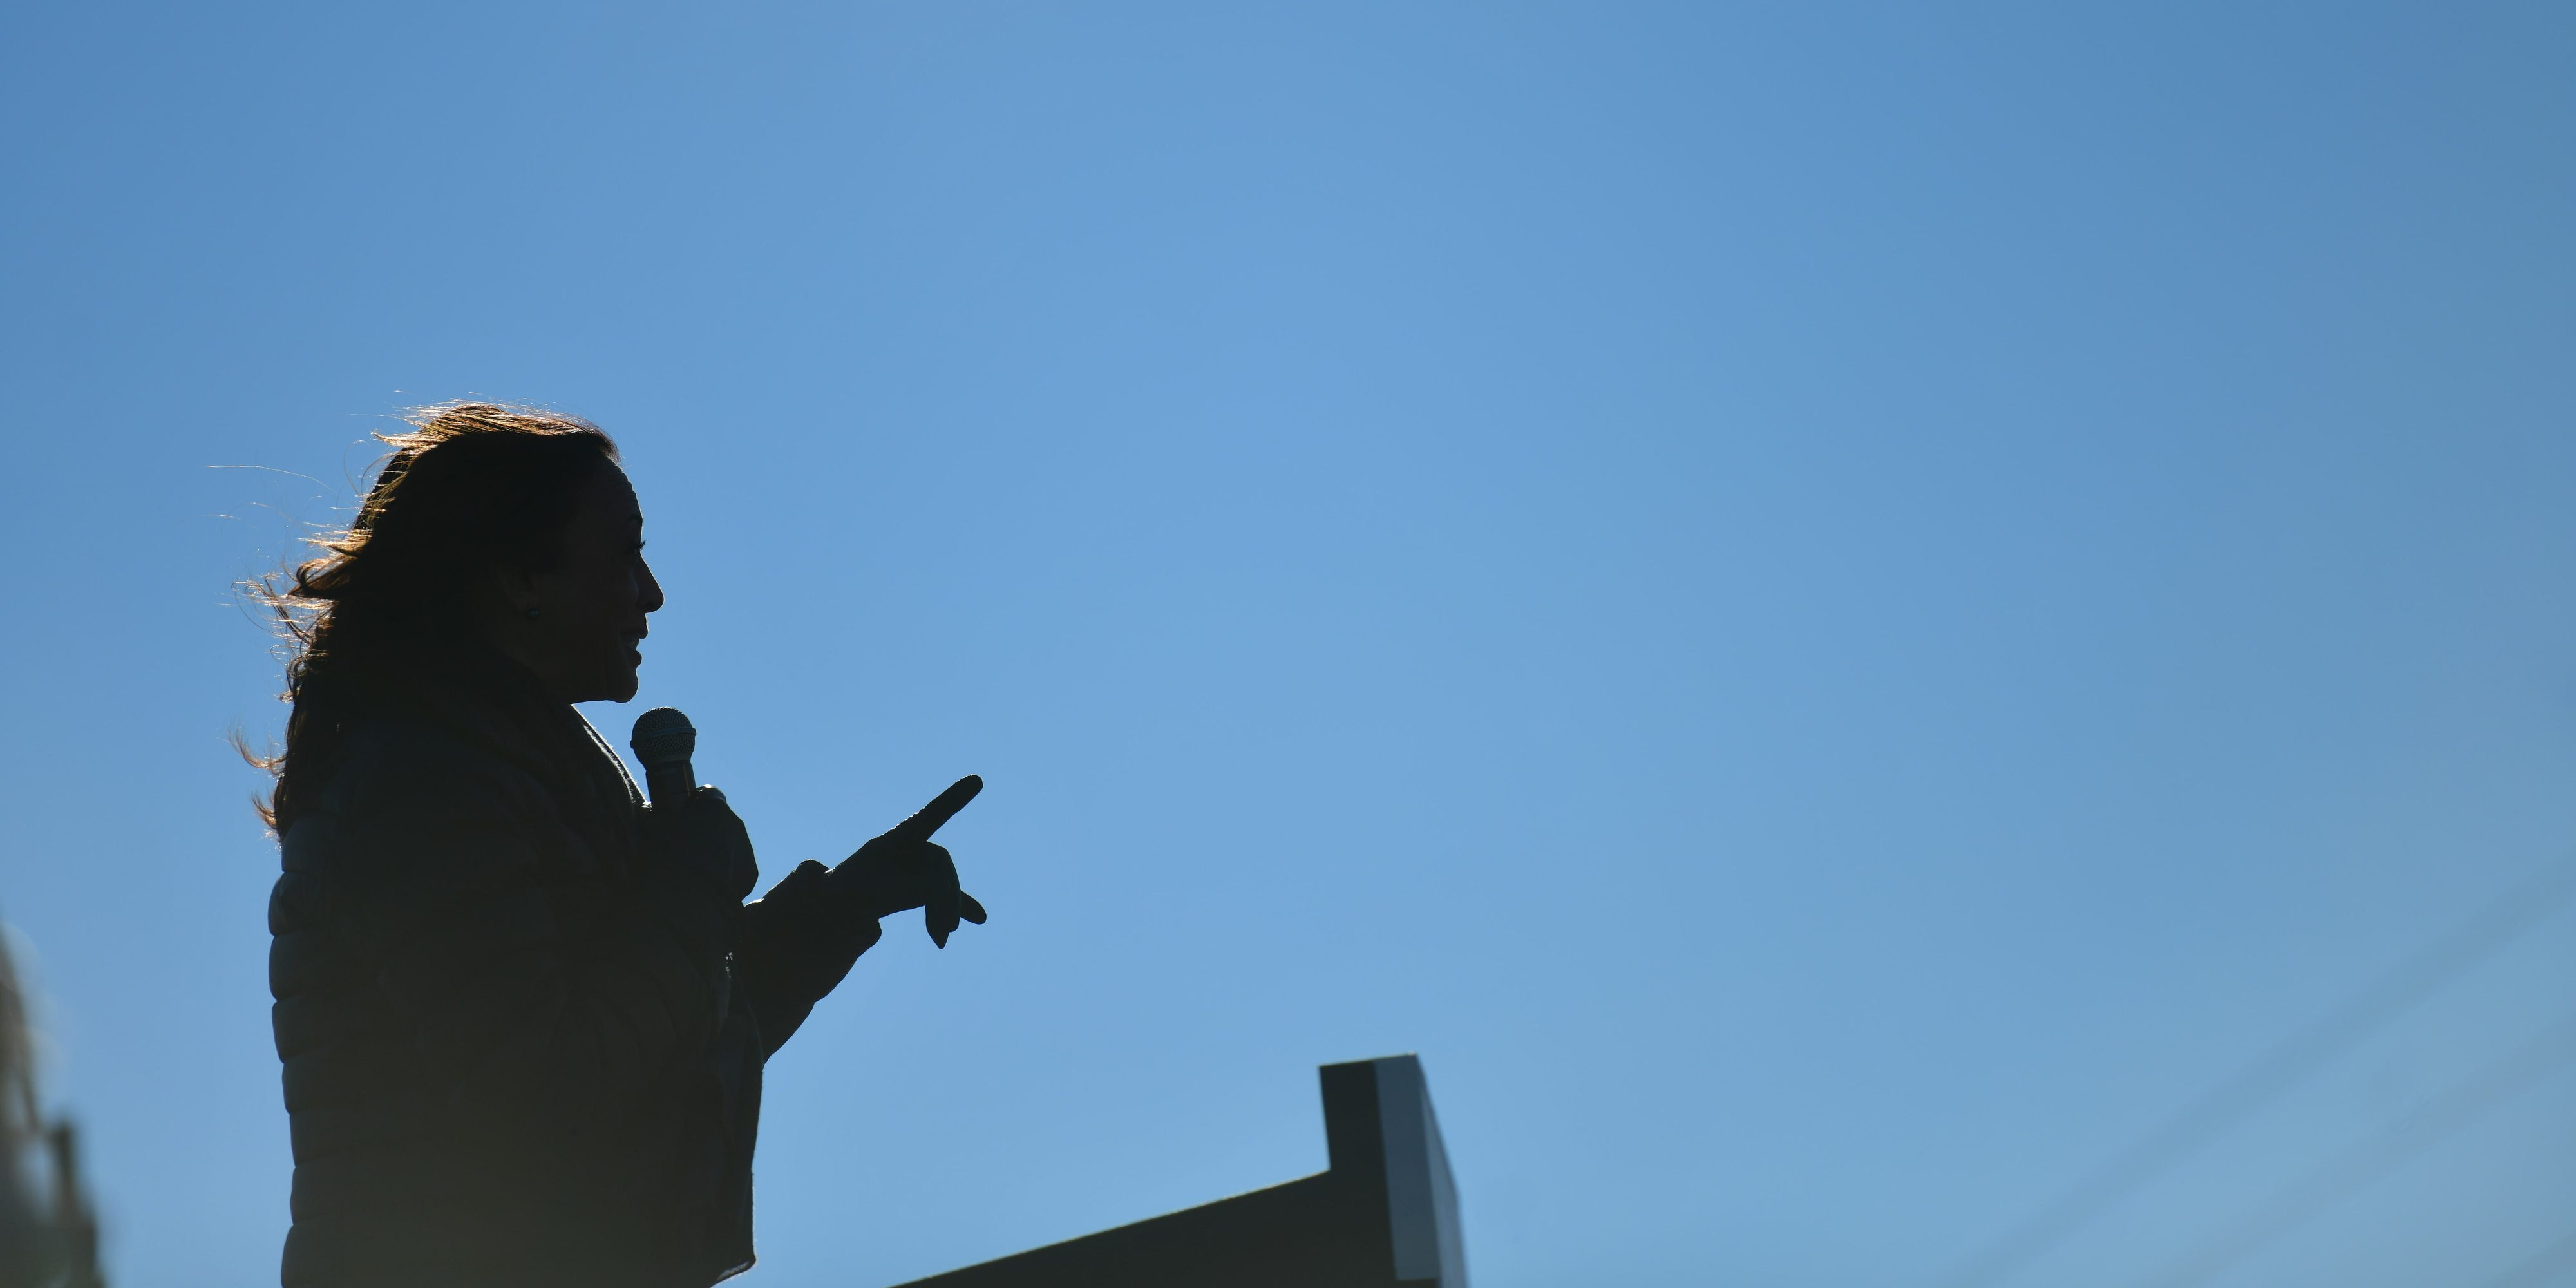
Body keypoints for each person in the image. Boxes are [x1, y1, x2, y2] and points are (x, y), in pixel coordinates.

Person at [256, 403, 986, 1287]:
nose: (651, 594)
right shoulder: (419, 785)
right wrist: (689, 869)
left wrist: (841, 908)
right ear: (521, 577)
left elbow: (645, 1036)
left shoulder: (506, 767)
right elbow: (551, 1090)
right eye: (626, 553)